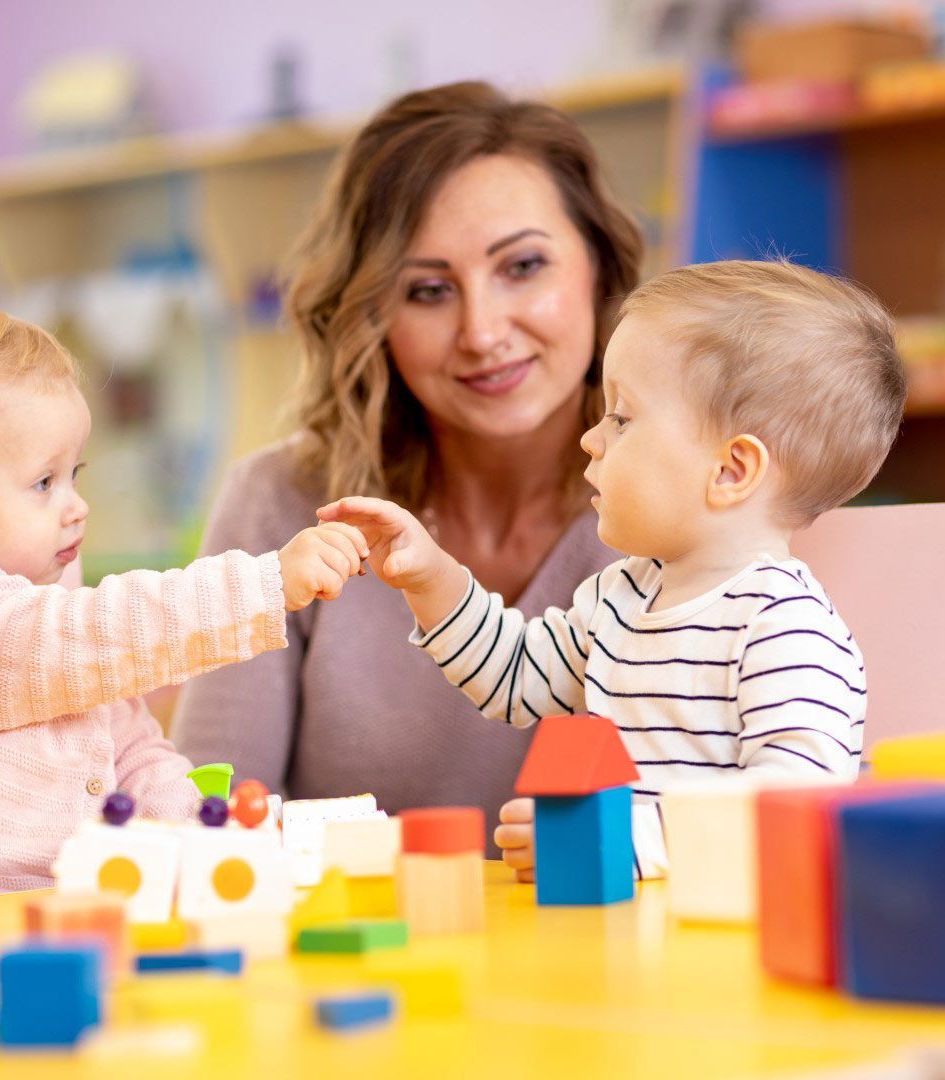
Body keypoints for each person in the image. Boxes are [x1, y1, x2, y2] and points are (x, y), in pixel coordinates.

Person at [322, 259, 906, 879]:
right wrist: (433, 578)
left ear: (732, 471)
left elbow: (797, 808)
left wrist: (614, 842)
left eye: (621, 418)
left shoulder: (783, 628)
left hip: (725, 950)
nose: (591, 439)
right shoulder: (621, 595)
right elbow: (515, 675)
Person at [172, 82, 643, 842]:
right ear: (372, 317)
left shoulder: (697, 512)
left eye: (523, 266)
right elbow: (205, 820)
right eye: (428, 290)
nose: (483, 332)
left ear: (599, 267)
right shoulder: (279, 504)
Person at [0, 290, 369, 900]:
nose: (78, 507)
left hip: (67, 912)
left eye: (77, 474)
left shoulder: (55, 630)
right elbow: (100, 634)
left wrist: (212, 832)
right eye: (44, 482)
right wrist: (263, 585)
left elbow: (137, 756)